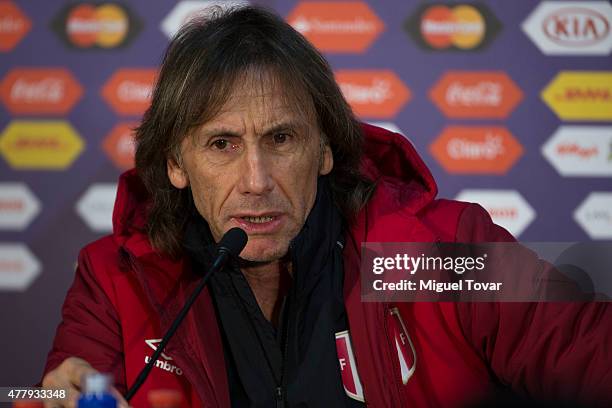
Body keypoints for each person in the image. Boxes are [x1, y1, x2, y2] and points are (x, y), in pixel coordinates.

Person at [41, 6, 611, 408]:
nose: (256, 181)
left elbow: (582, 344)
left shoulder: (437, 252)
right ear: (175, 164)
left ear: (324, 150)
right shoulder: (113, 280)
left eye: (282, 139)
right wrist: (52, 397)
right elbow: (44, 393)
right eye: (223, 145)